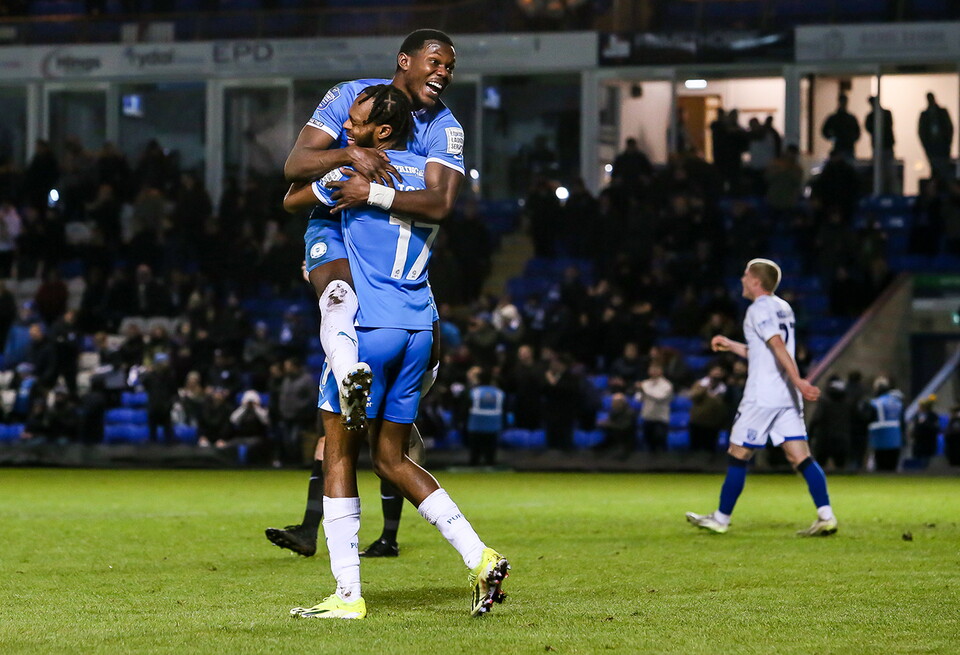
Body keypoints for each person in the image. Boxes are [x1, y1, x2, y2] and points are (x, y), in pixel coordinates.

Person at [283, 84, 507, 620]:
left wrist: (337, 171)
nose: (347, 130)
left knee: (338, 453)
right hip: (420, 331)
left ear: (381, 132)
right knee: (392, 458)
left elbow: (291, 197)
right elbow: (442, 204)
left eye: (356, 124)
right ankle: (481, 557)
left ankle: (347, 596)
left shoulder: (356, 174)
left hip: (369, 327)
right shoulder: (428, 178)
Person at [264, 29, 462, 558]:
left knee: (399, 403)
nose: (443, 73)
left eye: (449, 66)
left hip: (397, 257)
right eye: (435, 62)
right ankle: (321, 527)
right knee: (338, 309)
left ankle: (387, 532)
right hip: (334, 225)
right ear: (406, 61)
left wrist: (376, 189)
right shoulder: (353, 97)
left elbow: (440, 203)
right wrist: (348, 152)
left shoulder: (445, 128)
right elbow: (293, 170)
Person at [686, 258, 836, 536]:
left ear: (756, 281)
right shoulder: (783, 307)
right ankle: (826, 516)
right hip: (786, 397)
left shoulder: (759, 308)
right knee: (800, 456)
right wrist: (732, 345)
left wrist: (800, 380)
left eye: (745, 274)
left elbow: (777, 346)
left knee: (738, 453)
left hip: (763, 395)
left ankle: (720, 518)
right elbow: (765, 350)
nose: (742, 279)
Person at [464, 366, 505, 466]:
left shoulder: (474, 392)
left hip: (476, 425)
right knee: (490, 453)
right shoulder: (499, 393)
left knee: (474, 453)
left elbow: (465, 408)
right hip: (493, 425)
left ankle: (473, 467)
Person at [867, 375, 904, 472]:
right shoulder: (897, 402)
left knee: (881, 469)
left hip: (880, 439)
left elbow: (868, 418)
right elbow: (902, 422)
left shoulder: (875, 403)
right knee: (893, 468)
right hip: (896, 438)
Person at [918, 92, 954, 183]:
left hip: (941, 146)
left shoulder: (941, 112)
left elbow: (949, 128)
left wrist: (948, 143)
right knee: (936, 168)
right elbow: (922, 132)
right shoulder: (925, 115)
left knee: (943, 169)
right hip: (933, 147)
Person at [637, 363, 672, 453]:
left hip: (660, 419)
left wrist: (644, 389)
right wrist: (640, 391)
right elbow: (639, 399)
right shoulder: (645, 383)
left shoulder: (666, 385)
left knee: (660, 444)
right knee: (648, 444)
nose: (653, 371)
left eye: (656, 369)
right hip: (647, 417)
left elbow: (659, 397)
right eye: (652, 369)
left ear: (661, 371)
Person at [865, 96, 897, 194]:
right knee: (882, 172)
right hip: (881, 147)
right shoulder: (873, 116)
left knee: (888, 172)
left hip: (885, 146)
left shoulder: (883, 114)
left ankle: (889, 192)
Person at [821, 94, 860, 162]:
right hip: (840, 147)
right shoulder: (836, 118)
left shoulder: (849, 118)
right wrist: (833, 137)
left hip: (847, 147)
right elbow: (824, 131)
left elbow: (857, 132)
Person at [910, 394, 940, 465]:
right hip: (918, 443)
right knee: (917, 462)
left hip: (928, 443)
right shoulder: (917, 416)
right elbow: (916, 427)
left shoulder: (933, 416)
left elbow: (936, 428)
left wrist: (925, 423)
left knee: (926, 462)